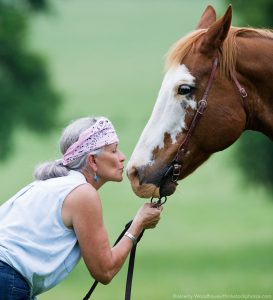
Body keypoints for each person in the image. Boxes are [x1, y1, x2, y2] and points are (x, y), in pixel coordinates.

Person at [0, 116, 162, 299]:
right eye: (114, 150)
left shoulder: (51, 185)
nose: (122, 156)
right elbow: (104, 270)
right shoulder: (83, 193)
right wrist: (138, 224)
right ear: (92, 161)